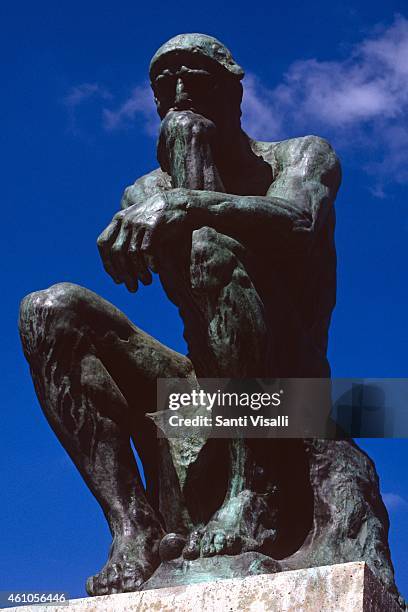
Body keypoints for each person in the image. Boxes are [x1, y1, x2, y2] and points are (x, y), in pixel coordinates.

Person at [19, 33, 341, 595]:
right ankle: (132, 527)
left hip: (290, 378)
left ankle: (253, 488)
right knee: (48, 310)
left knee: (209, 245)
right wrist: (168, 200)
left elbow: (301, 222)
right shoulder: (144, 192)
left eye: (196, 75)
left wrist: (186, 204)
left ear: (234, 90)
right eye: (164, 83)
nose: (179, 90)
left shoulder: (299, 154)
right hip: (199, 385)